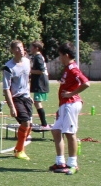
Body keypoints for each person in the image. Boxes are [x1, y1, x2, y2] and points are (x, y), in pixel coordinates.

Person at [50, 42, 91, 174]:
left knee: (69, 133)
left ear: (66, 55)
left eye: (60, 55)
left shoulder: (73, 69)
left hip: (71, 104)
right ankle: (60, 162)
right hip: (65, 105)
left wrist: (71, 94)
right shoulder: (68, 68)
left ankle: (73, 163)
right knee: (56, 130)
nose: (59, 58)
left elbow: (86, 83)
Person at [1, 40, 35, 161]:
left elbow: (27, 80)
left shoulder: (27, 62)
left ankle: (17, 148)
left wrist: (29, 94)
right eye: (17, 48)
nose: (20, 50)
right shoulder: (8, 67)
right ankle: (20, 150)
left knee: (29, 125)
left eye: (21, 47)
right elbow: (6, 89)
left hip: (26, 97)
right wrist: (11, 106)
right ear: (12, 51)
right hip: (16, 98)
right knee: (25, 122)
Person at [29, 40, 51, 130]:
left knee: (37, 103)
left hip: (41, 83)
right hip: (39, 83)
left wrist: (29, 70)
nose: (30, 48)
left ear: (36, 48)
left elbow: (41, 70)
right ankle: (42, 123)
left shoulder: (38, 57)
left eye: (31, 47)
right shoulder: (37, 57)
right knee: (36, 102)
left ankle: (44, 124)